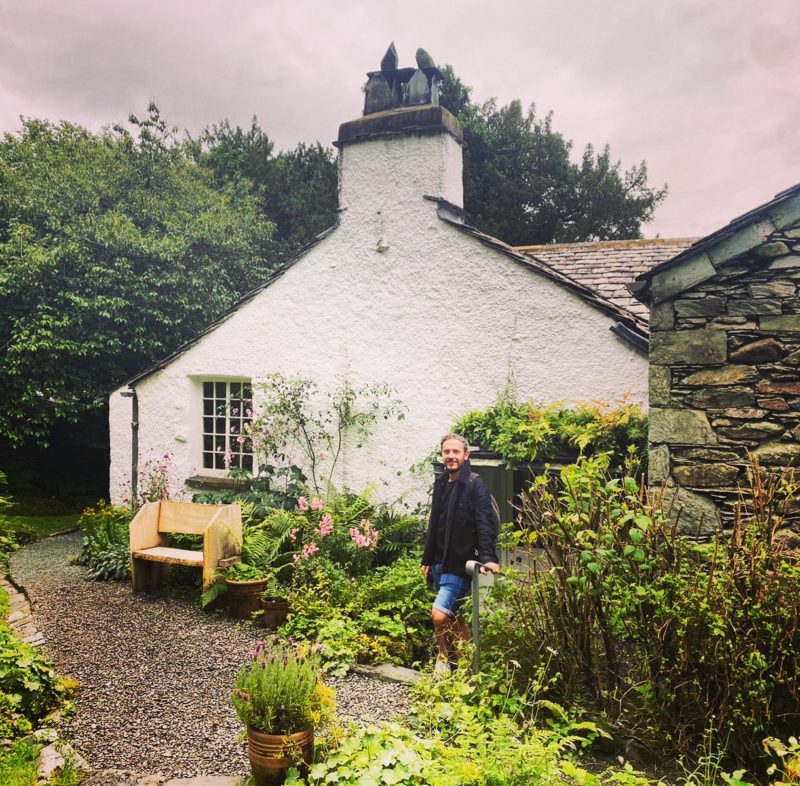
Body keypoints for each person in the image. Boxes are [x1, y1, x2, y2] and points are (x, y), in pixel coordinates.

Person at [421, 433, 500, 675]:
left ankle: (443, 658)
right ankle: (465, 666)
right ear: (442, 455)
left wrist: (488, 557)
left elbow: (484, 523)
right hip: (439, 561)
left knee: (439, 615)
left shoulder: (476, 484)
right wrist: (427, 559)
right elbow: (435, 522)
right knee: (455, 616)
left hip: (460, 562)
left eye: (456, 452)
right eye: (447, 452)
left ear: (466, 455)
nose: (451, 456)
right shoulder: (442, 483)